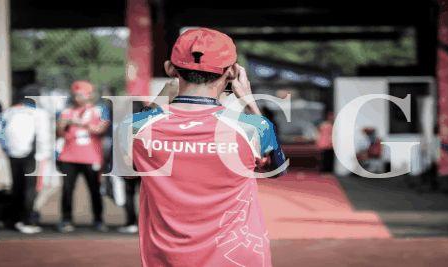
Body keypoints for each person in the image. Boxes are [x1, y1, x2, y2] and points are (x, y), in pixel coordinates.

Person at [119, 28, 286, 267]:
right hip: (236, 259)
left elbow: (126, 170)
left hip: (168, 260)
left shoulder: (136, 127)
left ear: (170, 69)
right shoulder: (253, 128)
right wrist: (249, 102)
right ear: (231, 72)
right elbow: (277, 169)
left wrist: (160, 100)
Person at [0, 86, 51, 234]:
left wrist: (7, 149)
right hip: (33, 156)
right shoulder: (39, 113)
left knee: (17, 186)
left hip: (13, 155)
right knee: (30, 188)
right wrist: (43, 155)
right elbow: (44, 136)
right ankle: (27, 221)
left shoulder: (9, 112)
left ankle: (14, 220)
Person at [56, 80, 110, 233]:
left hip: (91, 157)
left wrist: (78, 122)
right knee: (67, 190)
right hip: (69, 157)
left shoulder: (99, 110)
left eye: (81, 94)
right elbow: (59, 133)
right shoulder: (66, 111)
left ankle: (98, 219)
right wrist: (61, 124)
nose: (78, 97)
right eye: (76, 94)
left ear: (90, 95)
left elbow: (100, 129)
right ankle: (66, 219)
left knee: (95, 189)